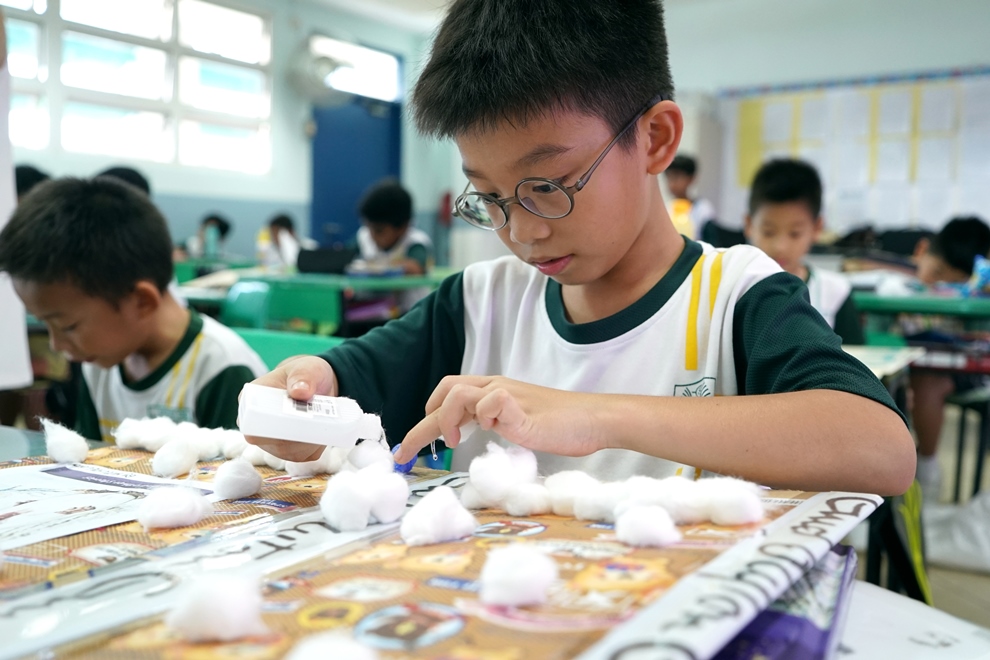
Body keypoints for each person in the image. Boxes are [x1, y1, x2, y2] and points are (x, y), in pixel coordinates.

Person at [244, 0, 914, 496]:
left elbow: (881, 449)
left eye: (548, 185)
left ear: (654, 139)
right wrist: (307, 390)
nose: (521, 231)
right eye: (490, 197)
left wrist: (598, 417)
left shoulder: (733, 297)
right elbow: (345, 385)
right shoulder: (481, 303)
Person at [0, 177, 267, 442]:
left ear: (142, 301)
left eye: (68, 326)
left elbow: (242, 480)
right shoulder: (100, 361)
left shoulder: (222, 370)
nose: (56, 344)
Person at [909, 216, 990, 499]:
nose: (941, 285)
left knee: (928, 382)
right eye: (937, 273)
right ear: (921, 251)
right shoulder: (900, 286)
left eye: (954, 282)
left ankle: (927, 468)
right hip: (916, 366)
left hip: (968, 370)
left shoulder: (981, 289)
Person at [744, 158, 864, 345]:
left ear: (817, 228)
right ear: (749, 225)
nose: (780, 246)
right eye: (768, 232)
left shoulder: (834, 293)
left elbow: (855, 361)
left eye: (795, 234)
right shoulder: (735, 291)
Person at [355, 179, 433, 276]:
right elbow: (344, 258)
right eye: (368, 227)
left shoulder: (416, 242)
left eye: (379, 230)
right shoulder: (364, 236)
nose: (372, 235)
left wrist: (377, 267)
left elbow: (415, 268)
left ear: (402, 227)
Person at [664, 154, 716, 240]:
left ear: (691, 178)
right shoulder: (666, 208)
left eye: (677, 177)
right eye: (669, 177)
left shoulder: (703, 209)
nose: (672, 182)